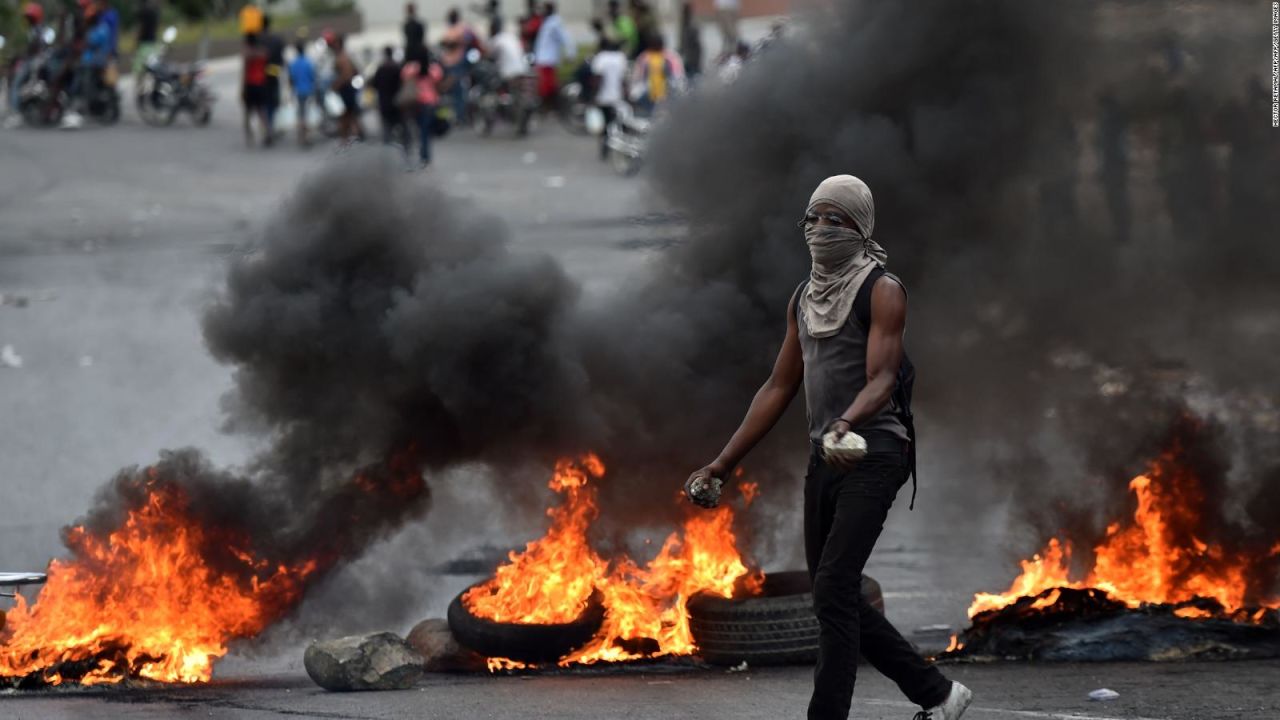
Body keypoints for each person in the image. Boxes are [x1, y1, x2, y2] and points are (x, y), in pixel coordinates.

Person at [684, 176, 973, 720]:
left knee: (836, 586)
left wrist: (847, 421)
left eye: (834, 220)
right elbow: (778, 386)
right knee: (830, 595)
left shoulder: (882, 290)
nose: (820, 230)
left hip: (876, 451)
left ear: (860, 227)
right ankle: (937, 693)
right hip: (826, 458)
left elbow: (883, 376)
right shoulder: (804, 296)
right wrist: (723, 463)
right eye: (813, 218)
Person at [400, 45, 443, 168]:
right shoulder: (434, 69)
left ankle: (420, 154)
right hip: (430, 102)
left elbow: (404, 78)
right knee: (425, 131)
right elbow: (438, 83)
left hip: (415, 102)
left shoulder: (410, 68)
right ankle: (425, 156)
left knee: (417, 129)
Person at [6, 3, 48, 125]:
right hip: (37, 60)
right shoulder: (38, 29)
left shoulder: (36, 30)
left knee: (16, 84)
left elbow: (34, 47)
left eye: (30, 17)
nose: (28, 20)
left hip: (33, 61)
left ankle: (16, 112)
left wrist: (24, 55)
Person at [439, 7, 478, 124]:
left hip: (458, 62)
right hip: (448, 62)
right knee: (451, 91)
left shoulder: (462, 28)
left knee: (458, 91)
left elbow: (469, 39)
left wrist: (454, 43)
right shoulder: (450, 29)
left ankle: (461, 116)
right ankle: (455, 114)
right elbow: (444, 42)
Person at [590, 37, 627, 160]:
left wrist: (594, 95)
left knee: (605, 125)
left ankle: (605, 150)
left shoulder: (600, 58)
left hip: (603, 97)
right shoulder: (620, 57)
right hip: (617, 97)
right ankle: (621, 149)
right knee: (618, 123)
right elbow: (623, 79)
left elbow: (598, 79)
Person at [532, 2, 574, 109]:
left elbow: (566, 38)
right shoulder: (547, 22)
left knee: (548, 85)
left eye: (544, 9)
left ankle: (553, 105)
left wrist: (570, 53)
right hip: (543, 58)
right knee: (544, 85)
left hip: (548, 59)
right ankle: (550, 105)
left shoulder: (555, 23)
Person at [629, 32, 683, 114]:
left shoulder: (644, 57)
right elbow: (679, 78)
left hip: (651, 98)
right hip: (665, 98)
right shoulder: (672, 57)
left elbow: (637, 79)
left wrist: (634, 95)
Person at [371, 45, 404, 146]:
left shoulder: (381, 68)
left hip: (384, 101)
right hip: (397, 101)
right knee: (402, 126)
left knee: (386, 129)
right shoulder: (397, 67)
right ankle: (405, 148)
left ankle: (388, 149)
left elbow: (374, 84)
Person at [261, 14, 286, 145]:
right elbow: (281, 59)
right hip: (274, 73)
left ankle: (267, 128)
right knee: (273, 102)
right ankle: (271, 126)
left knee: (264, 104)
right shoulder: (277, 39)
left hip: (260, 76)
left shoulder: (258, 40)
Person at [241, 32, 269, 145]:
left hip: (250, 85)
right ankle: (267, 133)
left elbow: (244, 73)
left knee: (248, 113)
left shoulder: (248, 54)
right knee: (262, 110)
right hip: (261, 84)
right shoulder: (262, 52)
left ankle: (249, 137)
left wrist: (242, 89)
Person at [330, 34, 360, 142]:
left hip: (346, 88)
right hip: (347, 87)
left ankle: (346, 138)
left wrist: (336, 85)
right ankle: (352, 135)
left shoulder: (342, 57)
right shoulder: (344, 56)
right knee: (350, 113)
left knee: (346, 113)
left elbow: (347, 74)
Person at [287, 39, 315, 146]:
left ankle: (301, 137)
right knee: (307, 114)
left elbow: (291, 79)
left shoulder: (293, 64)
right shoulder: (308, 62)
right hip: (308, 90)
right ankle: (306, 137)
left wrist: (290, 92)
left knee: (301, 114)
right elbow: (313, 77)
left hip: (298, 92)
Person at [132, 0, 158, 82]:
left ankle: (140, 91)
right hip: (152, 43)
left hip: (144, 44)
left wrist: (135, 41)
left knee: (140, 69)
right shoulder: (154, 11)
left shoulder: (143, 11)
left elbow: (141, 28)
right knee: (150, 68)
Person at [677, 1, 702, 81]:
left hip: (691, 58)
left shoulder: (691, 23)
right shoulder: (685, 23)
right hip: (689, 57)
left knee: (692, 78)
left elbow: (692, 41)